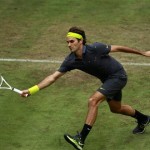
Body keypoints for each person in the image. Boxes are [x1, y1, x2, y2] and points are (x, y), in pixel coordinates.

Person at [22, 27, 150, 150]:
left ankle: (81, 139)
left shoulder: (95, 48)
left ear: (81, 41)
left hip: (118, 76)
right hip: (107, 80)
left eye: (72, 41)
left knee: (93, 101)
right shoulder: (70, 60)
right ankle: (144, 118)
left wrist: (143, 53)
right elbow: (52, 77)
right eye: (67, 42)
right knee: (116, 108)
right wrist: (31, 90)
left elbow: (117, 48)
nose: (69, 45)